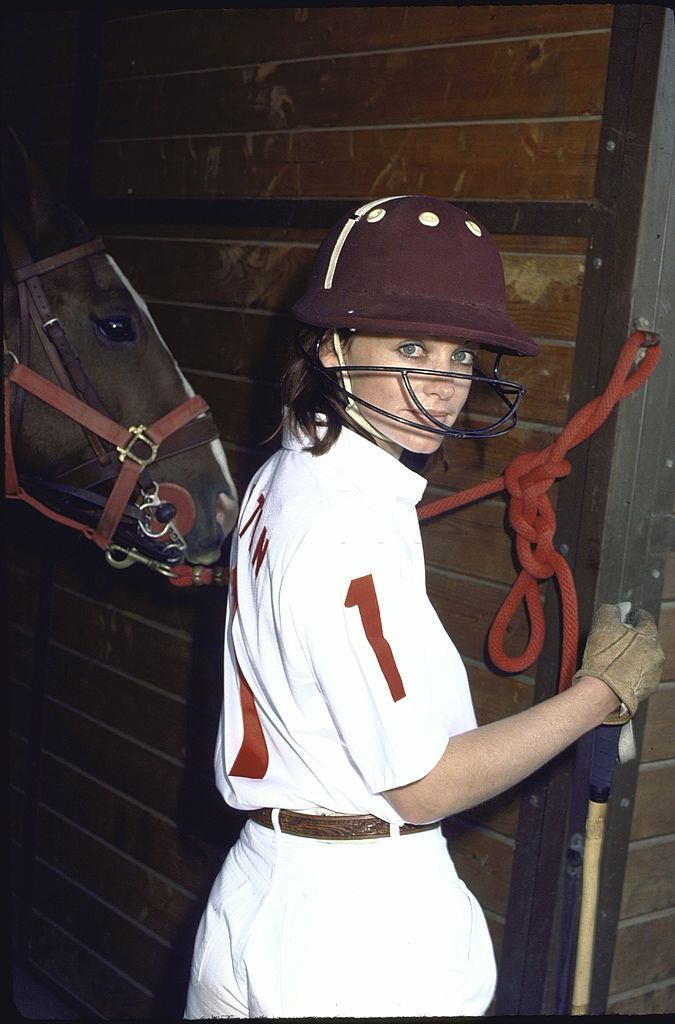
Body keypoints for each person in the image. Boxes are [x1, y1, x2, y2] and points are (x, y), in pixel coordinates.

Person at [184, 195, 664, 1018]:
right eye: (410, 347)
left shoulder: (283, 472)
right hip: (353, 931)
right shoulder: (348, 527)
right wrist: (600, 696)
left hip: (261, 890)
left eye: (458, 355)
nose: (443, 388)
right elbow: (424, 786)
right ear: (333, 347)